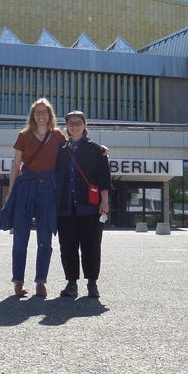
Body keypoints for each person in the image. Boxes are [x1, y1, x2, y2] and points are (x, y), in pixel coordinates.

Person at [3, 98, 66, 297]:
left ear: (50, 115)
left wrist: (100, 151)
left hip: (48, 191)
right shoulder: (23, 135)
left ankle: (41, 281)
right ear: (32, 115)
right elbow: (16, 165)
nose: (41, 115)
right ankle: (18, 282)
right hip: (25, 189)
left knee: (45, 240)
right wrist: (11, 192)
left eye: (44, 112)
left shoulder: (57, 136)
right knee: (20, 239)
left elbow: (73, 153)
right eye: (37, 112)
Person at [55, 111, 111, 298]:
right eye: (71, 123)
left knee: (92, 246)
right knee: (67, 246)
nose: (75, 126)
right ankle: (71, 283)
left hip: (90, 206)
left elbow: (104, 178)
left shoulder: (96, 149)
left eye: (78, 123)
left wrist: (105, 200)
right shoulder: (61, 150)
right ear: (67, 126)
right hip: (66, 207)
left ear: (85, 125)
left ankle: (92, 283)